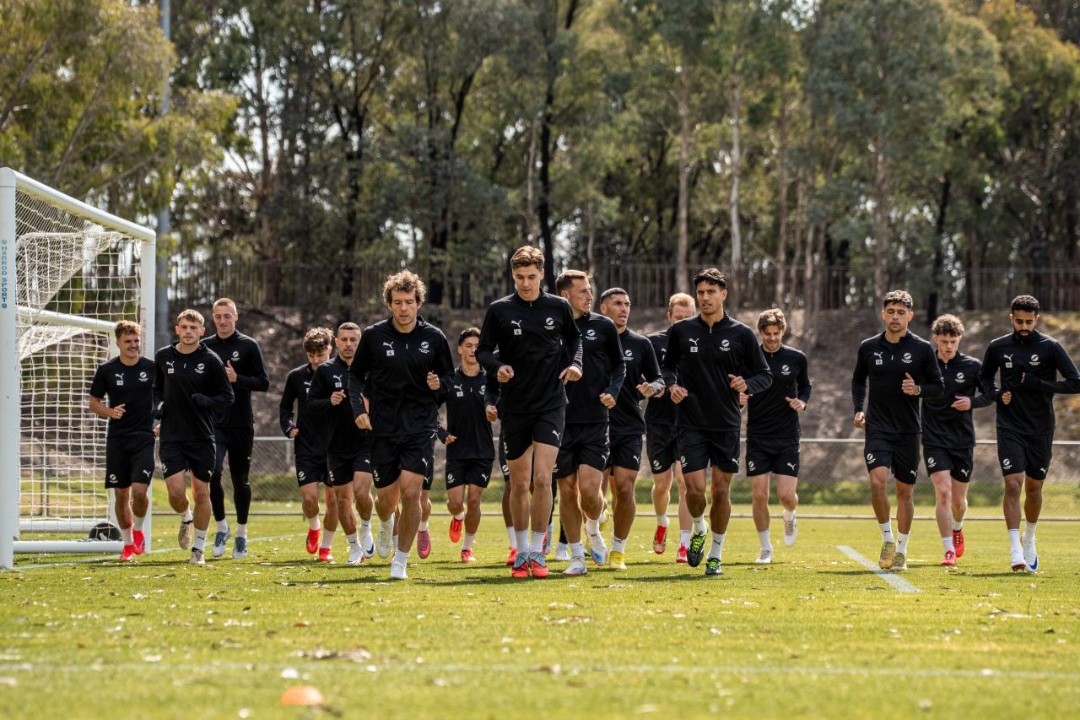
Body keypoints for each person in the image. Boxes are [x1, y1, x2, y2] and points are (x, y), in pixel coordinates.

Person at [477, 245, 583, 579]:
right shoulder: (499, 310)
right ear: (513, 275)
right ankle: (521, 552)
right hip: (515, 406)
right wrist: (498, 366)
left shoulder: (559, 306)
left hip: (551, 403)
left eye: (531, 277)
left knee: (542, 478)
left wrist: (576, 365)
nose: (525, 283)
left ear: (542, 275)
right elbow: (482, 351)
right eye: (520, 277)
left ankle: (538, 553)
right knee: (519, 483)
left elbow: (575, 341)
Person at [661, 268, 772, 576]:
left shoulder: (741, 334)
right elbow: (667, 367)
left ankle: (716, 554)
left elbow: (764, 375)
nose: (705, 298)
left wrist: (746, 385)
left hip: (725, 424)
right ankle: (698, 527)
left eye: (711, 292)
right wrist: (672, 385)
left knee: (721, 492)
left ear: (724, 294)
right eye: (701, 293)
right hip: (691, 422)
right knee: (695, 491)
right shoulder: (682, 331)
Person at [349, 270, 454, 581]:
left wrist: (439, 384)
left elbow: (449, 380)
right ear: (389, 304)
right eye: (398, 302)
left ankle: (401, 561)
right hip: (382, 428)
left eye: (409, 302)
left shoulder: (434, 338)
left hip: (420, 426)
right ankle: (385, 525)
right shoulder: (373, 336)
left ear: (419, 303)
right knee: (386, 499)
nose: (404, 308)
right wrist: (358, 409)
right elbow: (355, 377)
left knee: (411, 493)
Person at [980, 294, 1080, 572]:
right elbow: (984, 379)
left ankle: (1029, 538)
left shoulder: (1051, 347)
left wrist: (1039, 383)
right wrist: (997, 394)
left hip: (1040, 428)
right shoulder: (998, 347)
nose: (1024, 326)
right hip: (1009, 425)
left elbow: (1076, 383)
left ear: (1037, 319)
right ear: (1011, 318)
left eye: (1029, 321)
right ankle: (1015, 550)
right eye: (1019, 321)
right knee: (1013, 484)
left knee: (1034, 488)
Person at [852, 289, 943, 572]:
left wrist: (917, 390)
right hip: (877, 427)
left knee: (905, 491)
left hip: (908, 431)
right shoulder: (868, 347)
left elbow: (938, 387)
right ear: (883, 314)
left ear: (910, 316)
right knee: (878, 482)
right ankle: (888, 539)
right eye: (890, 312)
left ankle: (902, 550)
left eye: (901, 313)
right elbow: (858, 381)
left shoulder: (923, 349)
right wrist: (858, 407)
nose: (895, 317)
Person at [552, 271, 625, 576]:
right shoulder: (550, 326)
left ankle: (593, 526)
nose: (589, 296)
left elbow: (619, 365)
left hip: (595, 421)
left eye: (589, 290)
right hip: (558, 419)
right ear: (566, 295)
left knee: (590, 492)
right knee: (567, 490)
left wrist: (612, 391)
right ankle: (577, 558)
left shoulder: (603, 326)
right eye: (583, 291)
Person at [153, 309, 235, 564]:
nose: (188, 332)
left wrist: (206, 401)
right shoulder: (163, 356)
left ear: (202, 331)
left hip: (201, 436)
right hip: (172, 435)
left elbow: (227, 397)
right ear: (177, 329)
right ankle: (186, 516)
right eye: (184, 327)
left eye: (194, 327)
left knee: (202, 493)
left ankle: (198, 548)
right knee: (176, 492)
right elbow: (156, 390)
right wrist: (157, 409)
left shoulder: (210, 360)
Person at [598, 287, 662, 571]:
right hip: (594, 425)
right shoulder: (590, 339)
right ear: (603, 308)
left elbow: (659, 379)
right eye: (617, 304)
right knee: (593, 493)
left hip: (629, 427)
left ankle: (618, 550)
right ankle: (592, 530)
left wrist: (653, 387)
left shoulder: (641, 344)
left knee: (624, 489)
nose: (623, 309)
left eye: (627, 304)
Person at [921, 314, 993, 567]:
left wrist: (971, 402)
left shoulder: (973, 366)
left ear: (959, 339)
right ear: (935, 339)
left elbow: (991, 394)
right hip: (933, 438)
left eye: (953, 341)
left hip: (962, 439)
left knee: (959, 502)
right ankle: (948, 550)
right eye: (943, 341)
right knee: (943, 492)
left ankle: (958, 527)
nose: (948, 346)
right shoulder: (925, 365)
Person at [741, 309, 811, 564]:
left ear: (783, 331)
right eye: (767, 334)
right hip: (758, 435)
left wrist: (802, 402)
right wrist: (740, 399)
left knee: (785, 496)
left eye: (776, 333)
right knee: (759, 494)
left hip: (787, 436)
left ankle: (790, 515)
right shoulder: (750, 360)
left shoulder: (796, 358)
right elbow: (741, 391)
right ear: (760, 333)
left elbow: (805, 386)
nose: (771, 338)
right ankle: (765, 548)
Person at [204, 298, 270, 560]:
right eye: (218, 316)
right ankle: (222, 527)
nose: (222, 321)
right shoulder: (205, 347)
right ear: (213, 318)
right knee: (212, 472)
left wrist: (236, 379)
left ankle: (241, 533)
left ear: (236, 317)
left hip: (241, 423)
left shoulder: (249, 345)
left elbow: (263, 383)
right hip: (214, 424)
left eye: (227, 316)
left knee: (240, 480)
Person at [88, 320, 156, 562]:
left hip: (144, 438)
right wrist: (109, 412)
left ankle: (138, 530)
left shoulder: (152, 368)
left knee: (140, 491)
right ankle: (127, 544)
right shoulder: (106, 370)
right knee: (121, 495)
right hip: (117, 439)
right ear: (118, 343)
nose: (133, 345)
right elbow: (93, 402)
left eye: (136, 340)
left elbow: (168, 398)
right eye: (128, 341)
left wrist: (161, 422)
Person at [307, 322, 371, 566]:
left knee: (362, 492)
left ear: (360, 341)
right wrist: (329, 401)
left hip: (365, 442)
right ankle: (354, 547)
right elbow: (310, 405)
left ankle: (366, 526)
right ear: (336, 343)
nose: (348, 344)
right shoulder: (324, 371)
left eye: (353, 339)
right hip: (336, 445)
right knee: (343, 499)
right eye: (344, 339)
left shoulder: (370, 368)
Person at [279, 327, 341, 561]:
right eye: (311, 355)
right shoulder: (296, 377)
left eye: (320, 355)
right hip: (306, 444)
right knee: (309, 499)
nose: (316, 360)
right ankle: (314, 525)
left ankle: (326, 547)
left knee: (333, 499)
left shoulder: (340, 373)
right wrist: (288, 426)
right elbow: (285, 407)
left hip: (335, 444)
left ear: (330, 349)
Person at [437, 327, 496, 563]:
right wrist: (441, 433)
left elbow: (504, 405)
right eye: (468, 346)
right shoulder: (450, 379)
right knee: (454, 503)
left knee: (474, 500)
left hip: (483, 450)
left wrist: (496, 411)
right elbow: (430, 409)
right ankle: (458, 517)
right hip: (457, 450)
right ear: (460, 349)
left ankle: (467, 548)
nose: (472, 350)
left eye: (477, 346)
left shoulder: (491, 379)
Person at [646, 293, 696, 562]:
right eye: (678, 319)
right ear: (669, 317)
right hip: (658, 421)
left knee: (685, 482)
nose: (682, 323)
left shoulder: (701, 341)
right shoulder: (653, 343)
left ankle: (684, 542)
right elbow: (645, 378)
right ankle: (662, 521)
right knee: (662, 485)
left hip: (689, 422)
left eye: (688, 318)